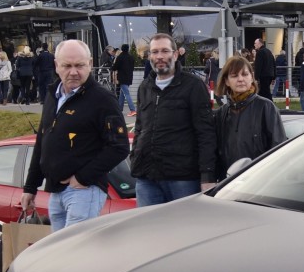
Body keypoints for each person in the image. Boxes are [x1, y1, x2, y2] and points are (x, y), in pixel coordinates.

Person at [20, 40, 130, 230]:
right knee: (62, 254)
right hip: (55, 191)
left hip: (84, 190)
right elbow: (42, 141)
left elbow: (119, 147)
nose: (73, 72)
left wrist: (82, 178)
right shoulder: (53, 94)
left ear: (90, 63)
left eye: (79, 65)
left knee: (76, 253)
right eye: (67, 66)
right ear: (56, 66)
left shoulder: (103, 99)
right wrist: (30, 188)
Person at [131, 33, 219, 205]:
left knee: (184, 231)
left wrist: (208, 175)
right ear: (149, 56)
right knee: (148, 230)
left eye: (165, 51)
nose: (160, 57)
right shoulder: (145, 87)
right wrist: (135, 157)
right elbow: (140, 128)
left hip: (182, 179)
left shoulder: (193, 86)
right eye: (154, 52)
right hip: (147, 178)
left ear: (176, 54)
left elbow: (206, 133)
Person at [213, 55, 286, 178]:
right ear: (226, 81)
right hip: (228, 183)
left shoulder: (266, 107)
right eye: (234, 76)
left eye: (245, 74)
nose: (240, 79)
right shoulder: (221, 114)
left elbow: (278, 149)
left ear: (252, 77)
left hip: (259, 182)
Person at [113, 42, 137, 116]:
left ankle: (133, 110)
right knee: (122, 94)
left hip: (122, 78)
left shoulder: (120, 57)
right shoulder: (131, 57)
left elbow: (115, 67)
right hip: (129, 77)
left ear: (122, 49)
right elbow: (132, 67)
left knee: (126, 94)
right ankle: (119, 109)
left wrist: (112, 67)